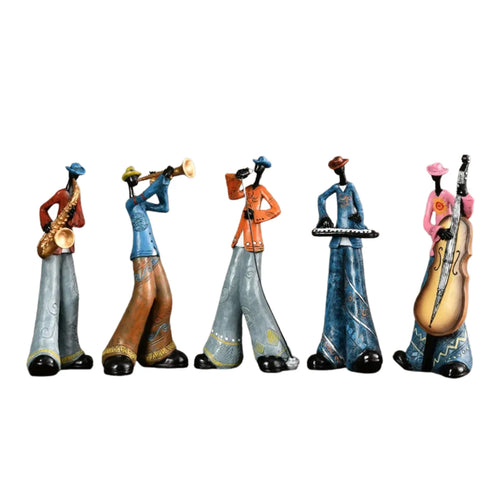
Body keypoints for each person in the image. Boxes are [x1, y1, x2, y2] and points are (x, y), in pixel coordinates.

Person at [194, 156, 299, 373]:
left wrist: (257, 215)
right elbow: (234, 195)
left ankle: (274, 351)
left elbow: (276, 209)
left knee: (250, 293)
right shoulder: (249, 189)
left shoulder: (262, 190)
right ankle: (222, 351)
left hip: (253, 243)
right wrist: (236, 178)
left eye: (261, 166)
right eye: (256, 165)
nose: (257, 168)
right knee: (230, 290)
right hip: (240, 241)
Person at [102, 166, 187, 376]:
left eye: (136, 177)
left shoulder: (141, 204)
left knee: (165, 297)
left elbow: (164, 207)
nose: (135, 180)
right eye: (132, 178)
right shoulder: (131, 203)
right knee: (145, 295)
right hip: (140, 252)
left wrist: (165, 184)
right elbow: (146, 194)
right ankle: (120, 348)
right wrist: (161, 180)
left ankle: (156, 349)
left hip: (154, 252)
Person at [393, 159, 474, 378]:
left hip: (453, 251)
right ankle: (417, 358)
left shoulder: (448, 195)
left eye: (438, 174)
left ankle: (455, 357)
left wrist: (464, 192)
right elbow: (426, 222)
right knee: (426, 299)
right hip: (436, 252)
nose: (436, 178)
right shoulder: (432, 196)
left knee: (453, 301)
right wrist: (438, 230)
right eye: (434, 175)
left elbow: (465, 212)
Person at [307, 156, 382, 373]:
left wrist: (359, 219)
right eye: (337, 169)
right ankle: (331, 350)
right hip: (338, 240)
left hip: (352, 237)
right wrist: (323, 217)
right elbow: (320, 198)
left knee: (355, 286)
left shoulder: (351, 187)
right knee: (334, 291)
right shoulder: (335, 189)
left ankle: (362, 346)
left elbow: (360, 208)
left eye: (341, 168)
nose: (340, 171)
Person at [28, 163, 93, 376]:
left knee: (72, 295)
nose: (75, 178)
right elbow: (42, 208)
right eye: (74, 175)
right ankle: (43, 349)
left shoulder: (76, 196)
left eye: (77, 175)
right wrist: (48, 225)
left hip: (66, 245)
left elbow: (81, 222)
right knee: (50, 292)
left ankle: (69, 351)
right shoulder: (61, 193)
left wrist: (73, 214)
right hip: (52, 245)